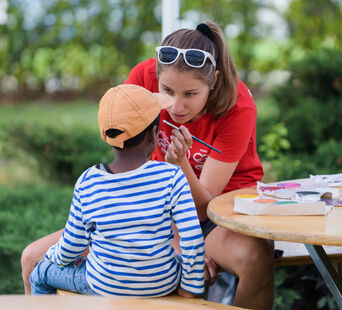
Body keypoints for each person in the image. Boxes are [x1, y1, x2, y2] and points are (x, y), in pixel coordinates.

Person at [21, 21, 274, 309]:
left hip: (220, 214)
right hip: (155, 208)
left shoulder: (237, 107)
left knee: (256, 258)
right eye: (167, 91)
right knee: (32, 258)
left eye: (190, 94)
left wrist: (181, 172)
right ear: (155, 77)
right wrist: (172, 246)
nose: (176, 107)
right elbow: (125, 160)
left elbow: (205, 207)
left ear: (213, 81)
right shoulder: (141, 79)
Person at [29, 84, 205, 297]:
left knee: (39, 273)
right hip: (161, 283)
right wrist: (189, 288)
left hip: (104, 285)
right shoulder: (172, 176)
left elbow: (72, 247)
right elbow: (192, 239)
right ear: (153, 135)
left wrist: (51, 256)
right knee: (188, 263)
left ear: (106, 136)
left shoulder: (88, 182)